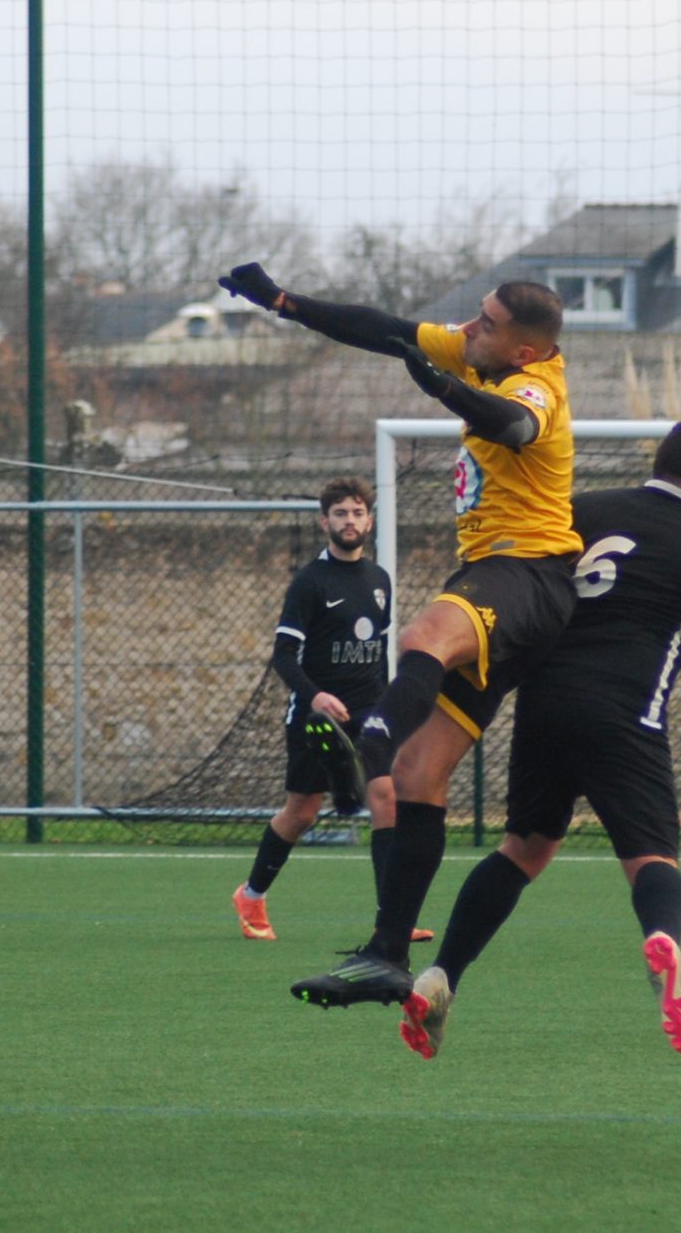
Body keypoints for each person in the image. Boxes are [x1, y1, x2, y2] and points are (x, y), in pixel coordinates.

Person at [216, 264, 580, 1006]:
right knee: (417, 776)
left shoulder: (536, 387)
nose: (468, 328)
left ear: (522, 349)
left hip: (529, 576)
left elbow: (513, 425)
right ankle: (387, 956)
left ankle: (371, 739)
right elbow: (381, 328)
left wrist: (443, 390)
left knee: (424, 633)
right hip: (502, 587)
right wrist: (285, 302)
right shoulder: (481, 355)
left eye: (485, 322)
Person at [396, 418, 681, 1061]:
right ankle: (663, 941)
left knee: (524, 849)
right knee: (653, 860)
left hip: (543, 705)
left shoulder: (581, 512)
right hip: (624, 715)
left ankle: (442, 975)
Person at [232, 477, 408, 941]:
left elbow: (379, 654)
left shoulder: (380, 580)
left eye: (357, 513)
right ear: (324, 521)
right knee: (302, 812)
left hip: (369, 710)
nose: (350, 521)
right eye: (340, 514)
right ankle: (251, 895)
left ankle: (392, 918)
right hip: (317, 718)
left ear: (369, 521)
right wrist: (316, 697)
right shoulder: (309, 582)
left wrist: (388, 708)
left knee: (387, 797)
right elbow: (284, 656)